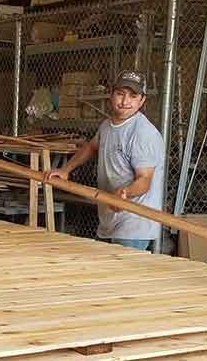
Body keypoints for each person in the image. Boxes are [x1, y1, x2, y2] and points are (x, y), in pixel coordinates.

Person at [46, 71, 165, 251]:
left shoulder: (143, 133)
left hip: (134, 223)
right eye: (120, 94)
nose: (125, 102)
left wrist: (125, 192)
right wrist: (66, 170)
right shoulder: (107, 125)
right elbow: (91, 147)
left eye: (133, 96)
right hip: (111, 217)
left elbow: (145, 179)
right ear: (111, 94)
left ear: (142, 100)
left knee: (121, 276)